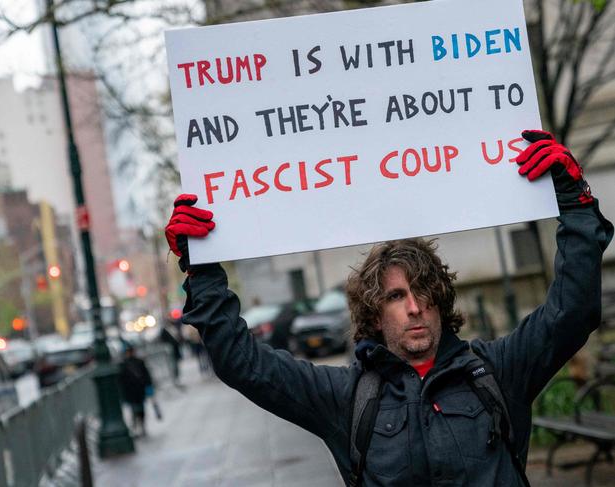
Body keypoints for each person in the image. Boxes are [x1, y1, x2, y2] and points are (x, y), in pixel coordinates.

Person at [164, 130, 613, 486]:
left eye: (423, 292)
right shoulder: (346, 399)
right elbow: (244, 364)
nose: (415, 307)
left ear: (440, 300)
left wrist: (575, 204)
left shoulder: (497, 372)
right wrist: (202, 272)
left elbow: (571, 312)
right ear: (376, 314)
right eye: (397, 296)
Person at [118, 345, 154, 437]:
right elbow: (121, 380)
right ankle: (137, 427)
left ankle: (140, 426)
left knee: (140, 410)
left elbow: (146, 376)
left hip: (139, 391)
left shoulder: (138, 362)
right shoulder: (123, 365)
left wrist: (149, 387)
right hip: (131, 392)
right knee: (134, 410)